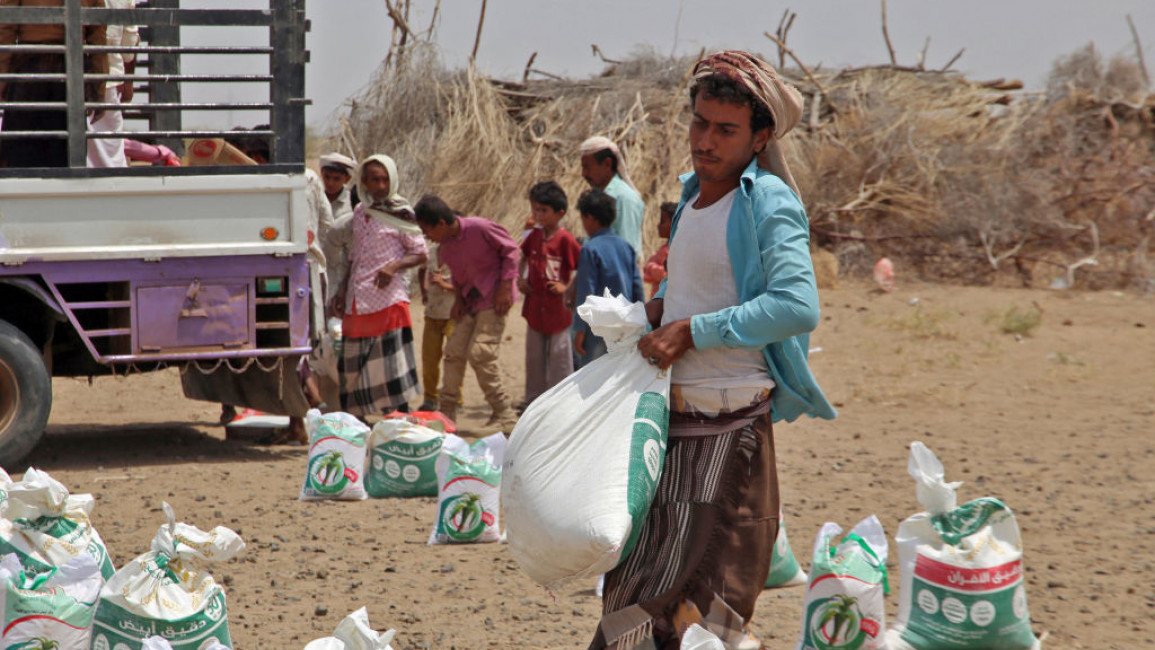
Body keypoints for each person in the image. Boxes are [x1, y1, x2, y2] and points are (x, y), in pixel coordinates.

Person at [591, 51, 837, 650]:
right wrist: (651, 313)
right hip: (671, 421)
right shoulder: (691, 199)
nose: (705, 140)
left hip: (731, 429)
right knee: (634, 587)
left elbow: (797, 306)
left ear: (760, 137)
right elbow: (692, 285)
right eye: (699, 123)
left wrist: (693, 331)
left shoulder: (768, 202)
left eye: (725, 130)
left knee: (702, 604)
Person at [330, 155, 427, 419]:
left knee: (392, 371)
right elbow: (355, 256)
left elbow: (420, 254)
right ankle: (356, 430)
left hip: (388, 300)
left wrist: (393, 266)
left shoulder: (402, 212)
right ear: (364, 181)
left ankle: (397, 429)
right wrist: (341, 290)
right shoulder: (361, 212)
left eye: (385, 179)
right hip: (357, 299)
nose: (381, 185)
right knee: (352, 370)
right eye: (375, 179)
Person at [413, 195, 520, 431]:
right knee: (453, 352)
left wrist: (504, 287)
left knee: (481, 353)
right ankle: (447, 416)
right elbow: (460, 278)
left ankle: (508, 418)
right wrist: (458, 301)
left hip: (495, 299)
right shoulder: (446, 248)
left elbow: (511, 251)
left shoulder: (479, 227)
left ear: (441, 224)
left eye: (426, 229)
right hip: (471, 302)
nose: (426, 236)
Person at [0, 0, 108, 168]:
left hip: (30, 67)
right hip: (70, 68)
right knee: (66, 157)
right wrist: (98, 87)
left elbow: (6, 26)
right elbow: (98, 33)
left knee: (20, 155)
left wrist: (3, 80)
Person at [518, 181, 581, 407]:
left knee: (559, 360)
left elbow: (582, 267)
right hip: (535, 307)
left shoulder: (565, 239)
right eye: (535, 209)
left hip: (558, 310)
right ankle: (533, 404)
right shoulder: (534, 235)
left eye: (543, 210)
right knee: (534, 359)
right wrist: (520, 278)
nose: (538, 214)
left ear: (559, 213)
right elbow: (523, 256)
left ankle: (559, 405)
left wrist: (567, 288)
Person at [572, 188, 644, 368]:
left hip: (598, 326)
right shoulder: (625, 247)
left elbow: (586, 292)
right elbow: (637, 288)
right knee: (619, 373)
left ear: (589, 218)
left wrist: (580, 330)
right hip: (625, 324)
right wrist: (642, 322)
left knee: (593, 374)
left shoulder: (590, 249)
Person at [86, 0, 138, 168]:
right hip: (108, 81)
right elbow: (129, 44)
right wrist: (128, 79)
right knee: (111, 156)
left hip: (61, 76)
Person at [579, 136, 645, 263]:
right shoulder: (599, 196)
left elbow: (626, 252)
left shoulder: (624, 198)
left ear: (607, 164)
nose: (584, 174)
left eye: (587, 167)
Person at [416, 241, 462, 412]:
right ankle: (430, 398)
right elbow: (421, 270)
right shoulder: (431, 252)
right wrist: (424, 291)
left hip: (453, 313)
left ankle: (456, 398)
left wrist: (444, 284)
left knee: (453, 357)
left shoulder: (460, 253)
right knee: (429, 359)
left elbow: (466, 285)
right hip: (432, 313)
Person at [318, 152, 357, 309]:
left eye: (336, 179)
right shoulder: (315, 198)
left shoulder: (352, 203)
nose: (330, 183)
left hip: (342, 269)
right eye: (327, 177)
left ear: (347, 179)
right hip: (319, 265)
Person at [642, 202, 677, 298]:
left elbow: (666, 275)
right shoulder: (664, 248)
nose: (658, 226)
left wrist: (652, 268)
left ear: (674, 224)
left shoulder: (673, 250)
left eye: (663, 221)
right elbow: (646, 271)